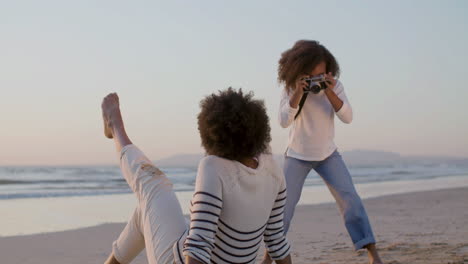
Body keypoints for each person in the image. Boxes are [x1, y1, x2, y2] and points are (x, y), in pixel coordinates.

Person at [101, 88, 293, 264]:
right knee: (146, 210)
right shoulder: (274, 170)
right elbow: (277, 242)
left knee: (153, 184)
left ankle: (116, 126)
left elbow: (198, 247)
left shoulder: (213, 167)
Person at [262, 40, 383, 264]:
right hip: (297, 155)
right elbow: (283, 122)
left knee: (351, 202)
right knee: (283, 209)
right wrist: (298, 92)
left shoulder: (335, 86)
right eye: (313, 75)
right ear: (301, 71)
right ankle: (268, 257)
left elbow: (347, 117)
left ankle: (372, 253)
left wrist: (329, 91)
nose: (318, 79)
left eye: (323, 74)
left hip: (328, 154)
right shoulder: (291, 87)